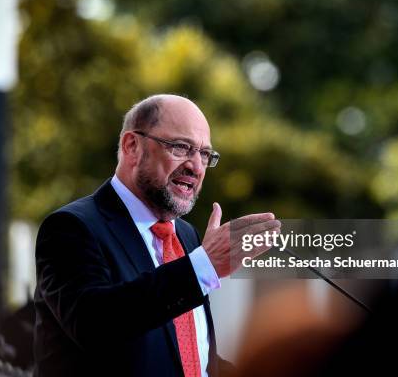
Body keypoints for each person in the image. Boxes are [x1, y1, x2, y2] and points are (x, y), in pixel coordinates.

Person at [33, 94, 281, 377]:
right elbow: (95, 326)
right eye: (181, 147)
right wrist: (201, 267)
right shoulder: (71, 228)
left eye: (204, 154)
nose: (196, 167)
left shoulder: (187, 237)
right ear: (132, 146)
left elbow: (190, 358)